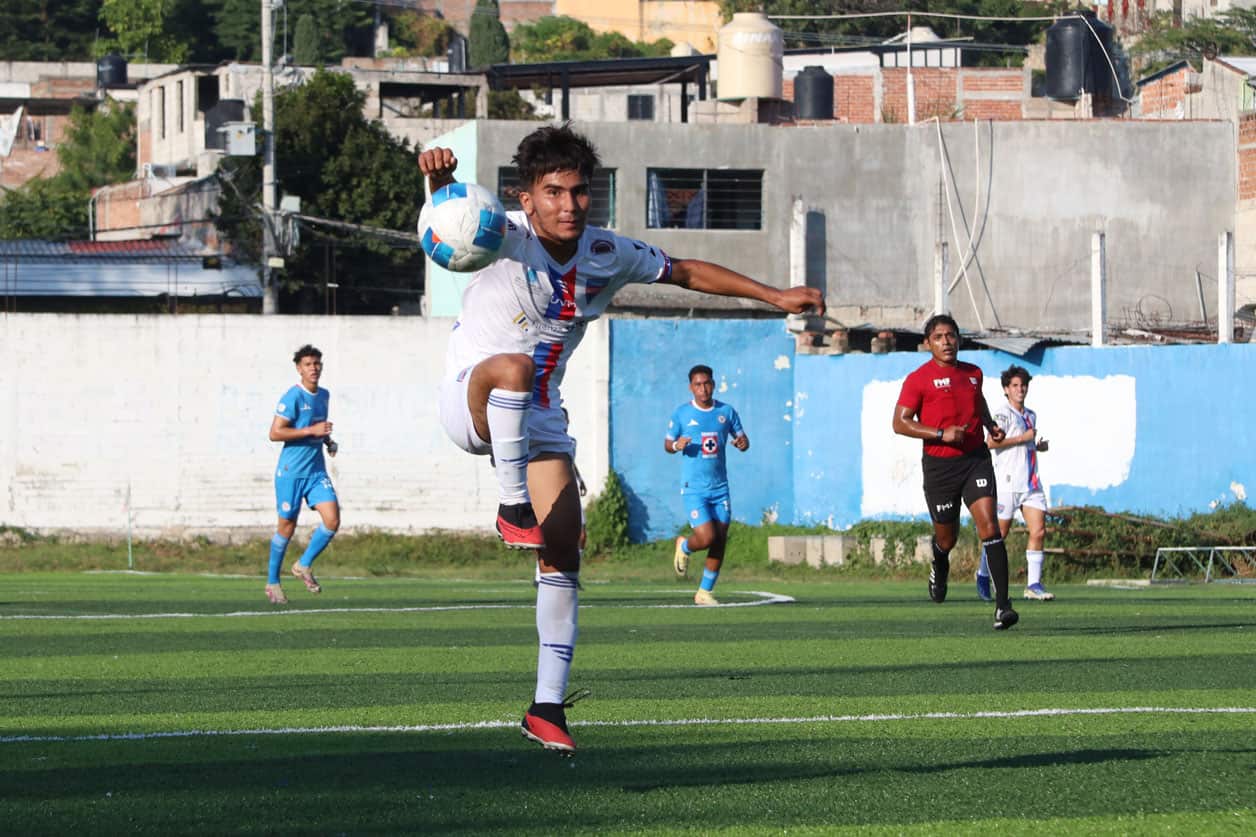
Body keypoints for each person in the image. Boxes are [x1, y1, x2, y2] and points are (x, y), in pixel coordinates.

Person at [419, 123, 823, 753]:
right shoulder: (501, 233)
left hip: (539, 418)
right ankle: (511, 505)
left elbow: (685, 272)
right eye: (553, 192)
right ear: (526, 199)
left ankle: (546, 707)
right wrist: (441, 182)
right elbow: (454, 223)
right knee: (516, 367)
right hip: (471, 397)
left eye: (579, 191)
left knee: (564, 549)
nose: (569, 205)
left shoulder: (607, 252)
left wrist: (774, 296)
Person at [891, 314, 1018, 631]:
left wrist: (990, 425)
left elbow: (978, 400)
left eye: (951, 335)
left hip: (975, 459)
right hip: (940, 467)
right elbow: (900, 423)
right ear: (928, 343)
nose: (946, 342)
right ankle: (939, 560)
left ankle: (1003, 607)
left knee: (990, 528)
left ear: (959, 339)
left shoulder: (973, 373)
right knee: (947, 539)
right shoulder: (918, 379)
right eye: (938, 337)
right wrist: (940, 434)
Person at [664, 364, 748, 606]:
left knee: (720, 538)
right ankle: (685, 546)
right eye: (698, 385)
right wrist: (677, 445)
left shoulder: (726, 412)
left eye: (707, 383)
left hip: (720, 487)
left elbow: (742, 439)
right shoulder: (682, 414)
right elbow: (667, 444)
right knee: (707, 536)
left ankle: (704, 592)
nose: (703, 389)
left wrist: (742, 443)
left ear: (713, 384)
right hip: (694, 488)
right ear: (691, 387)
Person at [264, 344, 340, 605]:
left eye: (317, 363)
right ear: (299, 369)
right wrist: (311, 432)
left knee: (332, 520)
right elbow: (275, 433)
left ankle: (303, 564)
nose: (313, 368)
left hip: (316, 471)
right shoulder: (293, 397)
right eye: (308, 364)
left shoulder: (324, 395)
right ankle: (273, 582)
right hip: (291, 472)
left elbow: (317, 427)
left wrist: (328, 441)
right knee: (287, 526)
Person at [978, 365, 1054, 601]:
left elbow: (1023, 445)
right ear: (1006, 389)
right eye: (1015, 386)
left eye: (1023, 385)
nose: (1020, 389)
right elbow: (991, 442)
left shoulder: (1031, 415)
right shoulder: (1002, 415)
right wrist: (1023, 438)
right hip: (1008, 483)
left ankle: (1033, 584)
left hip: (1031, 483)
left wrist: (1036, 446)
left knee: (1039, 531)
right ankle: (983, 574)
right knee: (999, 534)